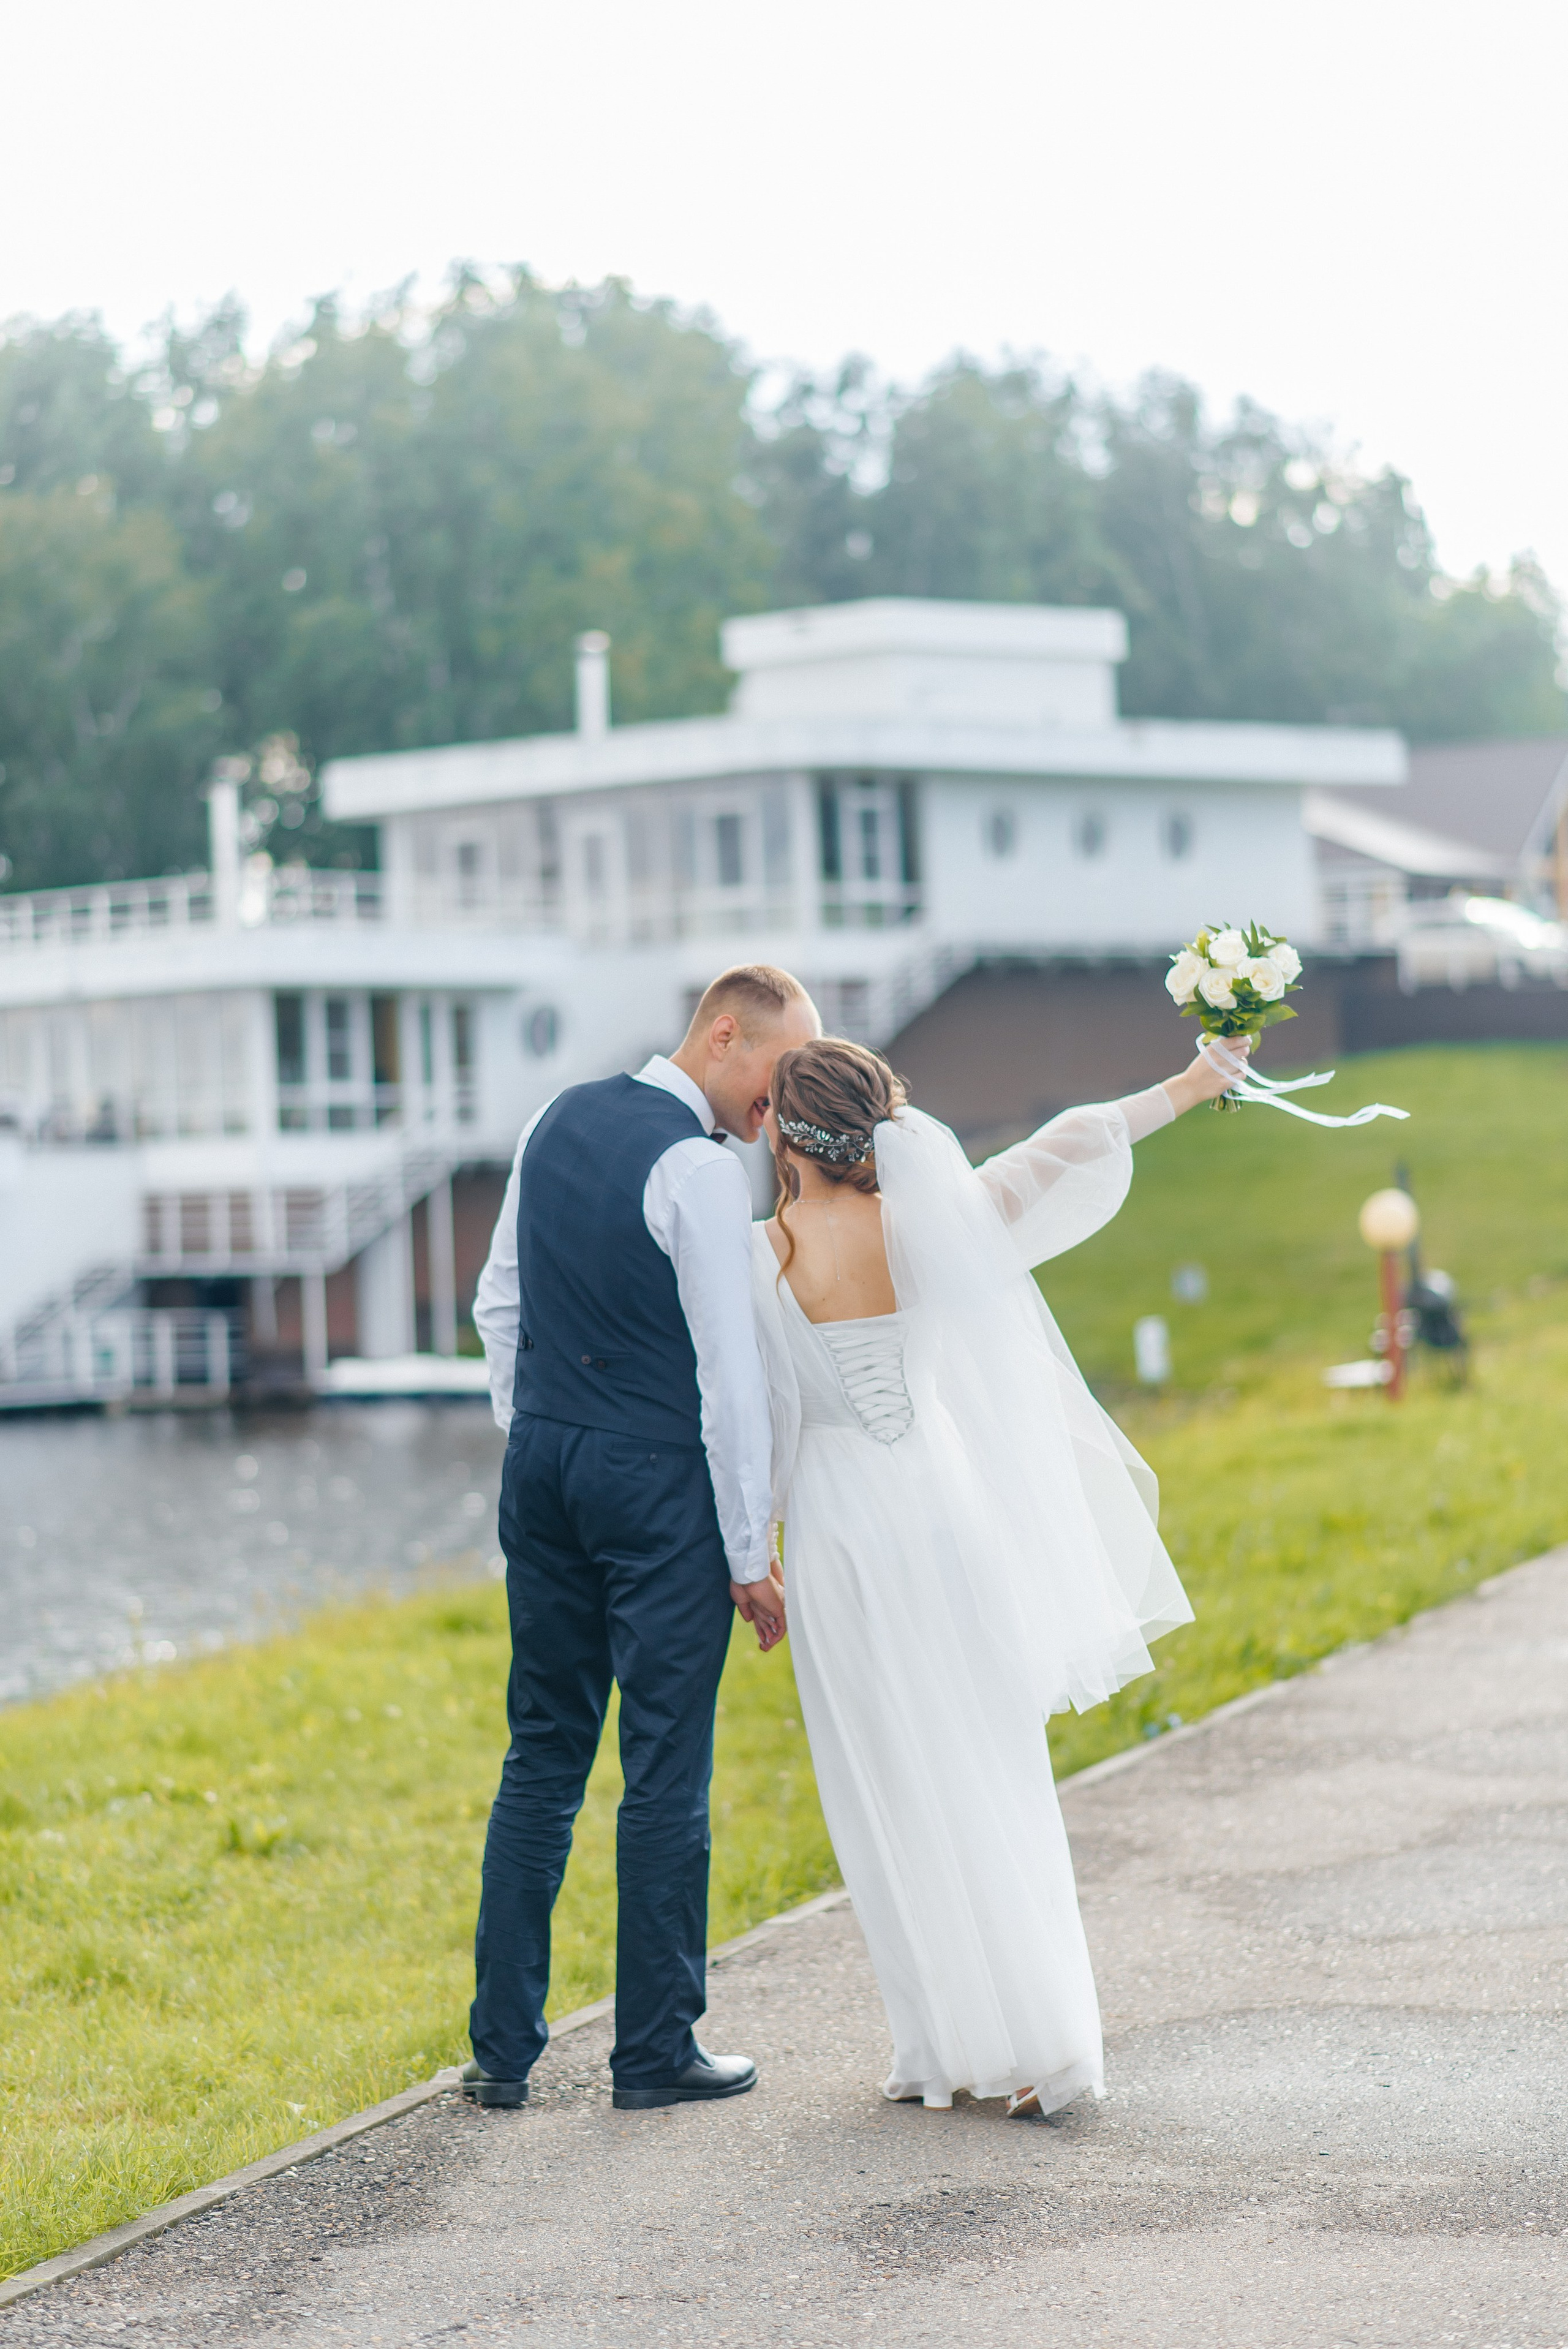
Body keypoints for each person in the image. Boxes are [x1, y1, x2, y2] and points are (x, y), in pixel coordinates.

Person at [750, 1031, 1243, 2116]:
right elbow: (1068, 1145)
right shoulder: (935, 1220)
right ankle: (1043, 2045)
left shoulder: (760, 1257)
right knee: (993, 1768)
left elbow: (752, 1428)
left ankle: (940, 2045)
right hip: (944, 1512)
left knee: (886, 1782)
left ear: (784, 1132)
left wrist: (751, 1555)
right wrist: (1194, 1081)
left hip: (836, 1535)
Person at [466, 964, 818, 2111]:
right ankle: (656, 2050)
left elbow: (497, 1306)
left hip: (547, 1468)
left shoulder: (552, 1116)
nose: (781, 1104)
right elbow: (726, 1378)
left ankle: (502, 2054)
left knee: (543, 1750)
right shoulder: (701, 1172)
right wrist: (748, 1555)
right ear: (724, 1037)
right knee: (665, 1765)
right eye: (776, 1075)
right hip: (654, 1482)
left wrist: (541, 1439)